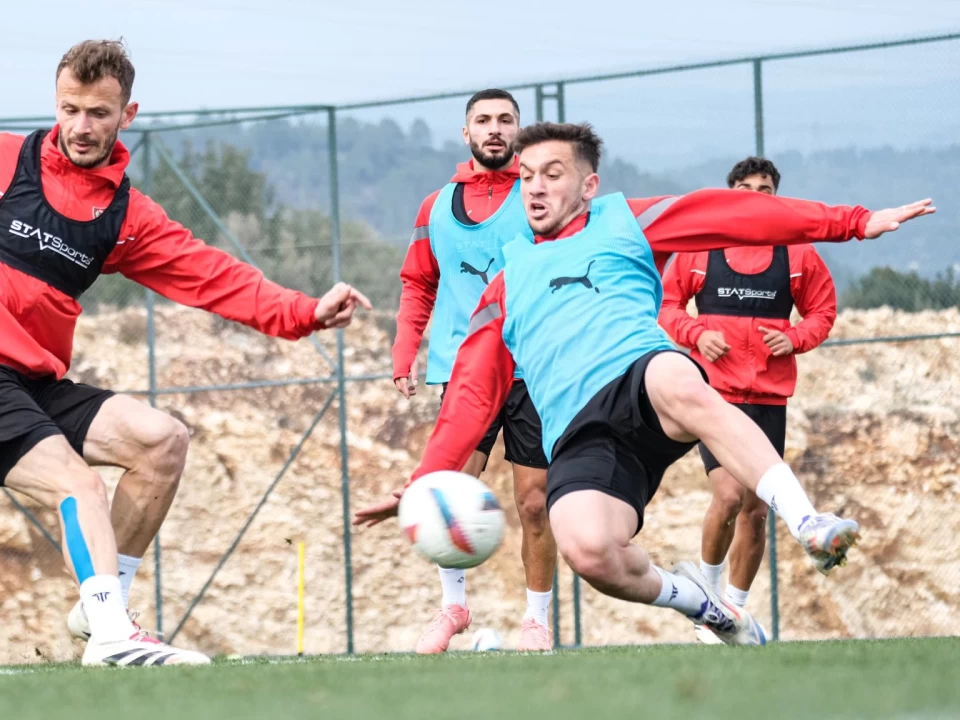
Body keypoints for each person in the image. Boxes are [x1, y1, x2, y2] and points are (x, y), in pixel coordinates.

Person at [0, 39, 370, 667]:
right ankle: (112, 637)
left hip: (33, 385)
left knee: (161, 442)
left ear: (127, 115)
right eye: (69, 109)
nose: (81, 126)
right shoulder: (0, 161)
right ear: (56, 103)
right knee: (78, 484)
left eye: (98, 113)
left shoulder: (126, 216)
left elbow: (210, 274)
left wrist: (302, 312)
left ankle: (100, 610)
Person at [356, 121, 933, 645]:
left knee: (677, 381)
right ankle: (707, 608)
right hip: (579, 433)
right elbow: (469, 397)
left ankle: (809, 521)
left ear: (589, 185)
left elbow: (735, 214)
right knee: (589, 551)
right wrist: (423, 483)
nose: (534, 188)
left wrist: (852, 223)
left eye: (553, 174)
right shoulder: (505, 285)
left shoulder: (623, 222)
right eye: (526, 176)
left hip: (641, 378)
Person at [388, 89, 556, 653]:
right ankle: (453, 608)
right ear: (466, 133)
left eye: (505, 120)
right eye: (483, 120)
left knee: (535, 502)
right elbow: (418, 282)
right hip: (464, 372)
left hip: (533, 370)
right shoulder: (435, 207)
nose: (494, 129)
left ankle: (536, 621)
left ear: (519, 131)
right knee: (449, 493)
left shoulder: (537, 198)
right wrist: (404, 352)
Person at [659, 157, 837, 644]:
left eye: (765, 189)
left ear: (777, 197)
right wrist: (696, 334)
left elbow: (822, 311)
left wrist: (794, 338)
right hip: (714, 396)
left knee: (756, 512)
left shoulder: (798, 254)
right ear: (729, 195)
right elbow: (667, 304)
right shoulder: (702, 247)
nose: (755, 196)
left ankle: (732, 611)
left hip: (767, 398)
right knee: (727, 496)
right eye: (745, 188)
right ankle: (707, 602)